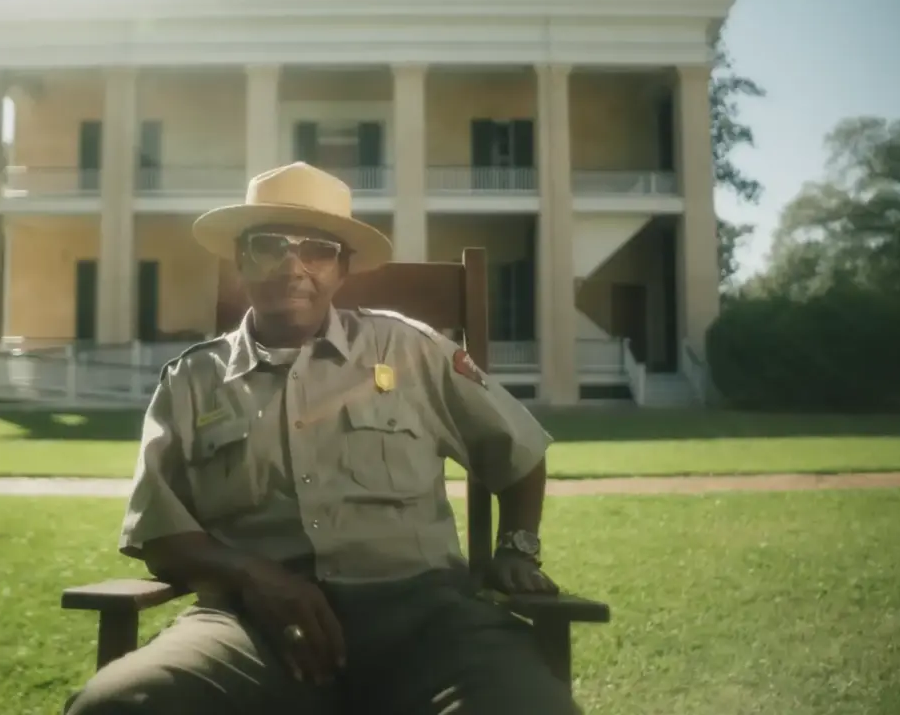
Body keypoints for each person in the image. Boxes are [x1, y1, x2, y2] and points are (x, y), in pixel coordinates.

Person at [66, 162, 578, 715]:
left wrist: (517, 546)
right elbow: (160, 535)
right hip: (251, 628)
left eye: (316, 249)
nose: (292, 266)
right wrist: (254, 577)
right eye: (268, 246)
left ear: (341, 269)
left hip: (428, 623)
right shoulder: (193, 381)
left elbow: (517, 449)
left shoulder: (408, 349)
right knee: (118, 706)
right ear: (240, 262)